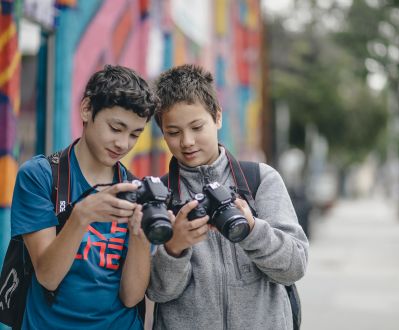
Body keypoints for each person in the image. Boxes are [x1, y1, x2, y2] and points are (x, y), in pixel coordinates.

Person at [146, 64, 309, 330]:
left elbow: (294, 267)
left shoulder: (259, 181)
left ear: (217, 117)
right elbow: (158, 293)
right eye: (173, 133)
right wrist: (175, 247)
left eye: (197, 127)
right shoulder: (158, 198)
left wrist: (252, 230)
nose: (187, 141)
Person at [10, 64, 158, 329]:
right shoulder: (40, 177)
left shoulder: (133, 190)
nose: (123, 144)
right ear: (87, 109)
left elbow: (131, 297)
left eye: (135, 134)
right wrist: (81, 216)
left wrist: (140, 238)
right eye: (116, 128)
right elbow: (48, 277)